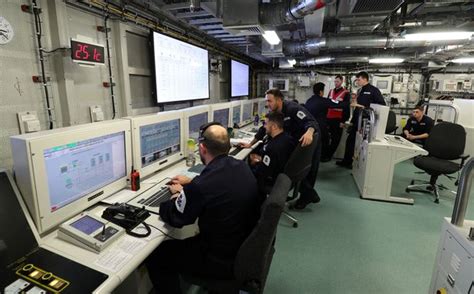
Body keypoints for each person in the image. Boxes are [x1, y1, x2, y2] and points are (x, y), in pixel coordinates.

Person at [146, 123, 260, 294]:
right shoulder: (241, 165)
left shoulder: (202, 186)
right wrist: (191, 185)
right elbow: (219, 186)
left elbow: (176, 218)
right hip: (243, 246)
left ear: (202, 148)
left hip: (220, 259)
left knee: (157, 255)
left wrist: (177, 196)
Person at [241, 89, 320, 209]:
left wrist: (310, 131)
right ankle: (309, 193)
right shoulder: (274, 111)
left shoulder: (292, 109)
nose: (267, 104)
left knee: (303, 168)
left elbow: (311, 121)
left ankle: (307, 196)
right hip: (292, 142)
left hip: (307, 140)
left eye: (269, 101)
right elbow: (264, 128)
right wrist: (250, 144)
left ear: (279, 100)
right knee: (291, 167)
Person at [336, 71, 386, 168]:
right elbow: (357, 106)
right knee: (351, 141)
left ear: (364, 79)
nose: (357, 82)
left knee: (361, 144)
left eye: (359, 80)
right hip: (357, 120)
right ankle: (348, 162)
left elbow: (381, 105)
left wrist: (359, 105)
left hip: (366, 122)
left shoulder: (374, 90)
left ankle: (356, 164)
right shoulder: (360, 90)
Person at [249, 111, 295, 196]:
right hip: (284, 177)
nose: (264, 126)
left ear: (274, 127)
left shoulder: (272, 147)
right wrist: (262, 159)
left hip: (271, 181)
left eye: (266, 124)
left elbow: (263, 172)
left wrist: (255, 163)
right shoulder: (287, 138)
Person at [325, 75, 350, 161]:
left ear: (342, 81)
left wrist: (343, 121)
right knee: (327, 138)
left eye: (338, 81)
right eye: (335, 81)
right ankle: (325, 154)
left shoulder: (346, 93)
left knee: (336, 139)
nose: (336, 83)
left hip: (338, 119)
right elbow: (327, 104)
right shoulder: (331, 91)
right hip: (329, 118)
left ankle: (328, 155)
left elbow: (347, 108)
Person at [305, 82, 330, 162]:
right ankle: (323, 157)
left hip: (310, 126)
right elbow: (337, 104)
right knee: (325, 140)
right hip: (321, 126)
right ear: (321, 92)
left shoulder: (309, 101)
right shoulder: (324, 101)